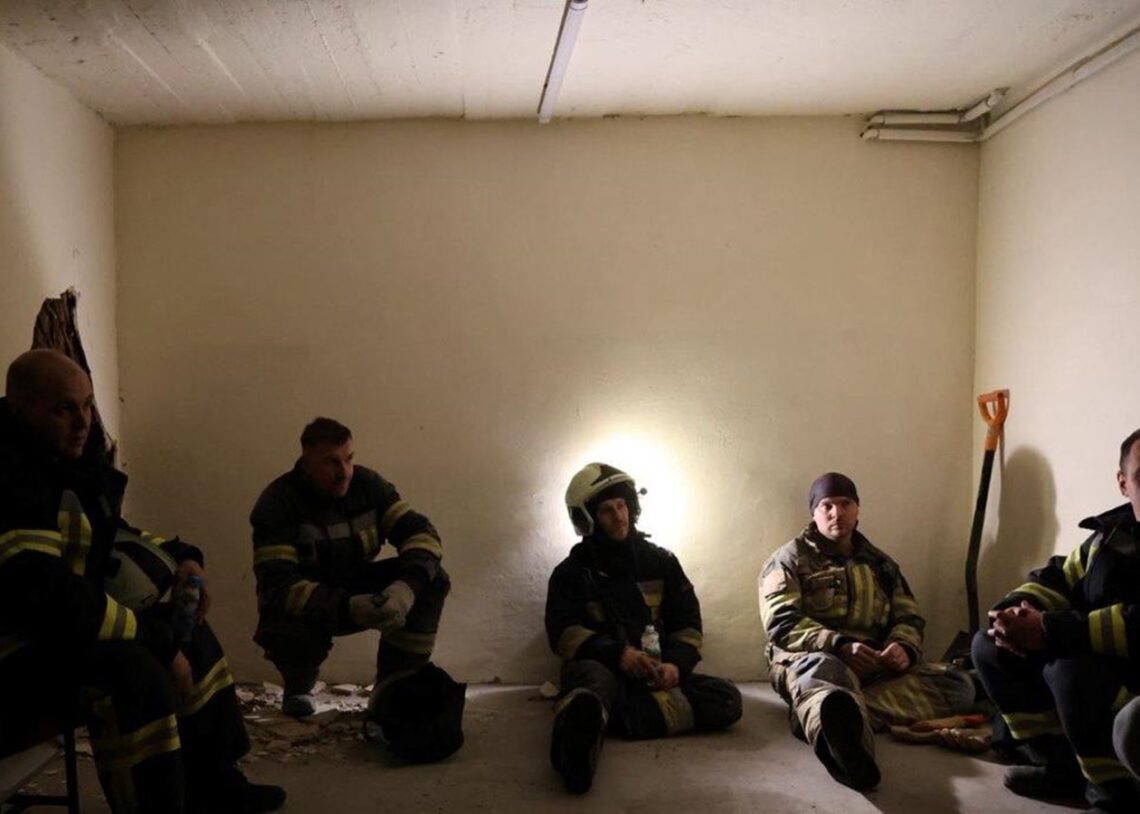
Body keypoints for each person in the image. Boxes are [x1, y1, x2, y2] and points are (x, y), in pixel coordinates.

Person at [0, 349, 285, 814]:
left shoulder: (63, 461)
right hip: (19, 644)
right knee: (136, 671)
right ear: (21, 407)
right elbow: (47, 595)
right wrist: (156, 641)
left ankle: (216, 783)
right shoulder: (11, 476)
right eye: (64, 409)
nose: (83, 422)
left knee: (189, 632)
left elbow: (111, 535)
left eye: (87, 404)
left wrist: (184, 558)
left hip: (61, 625)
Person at [759, 472, 974, 791]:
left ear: (857, 508)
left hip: (873, 666)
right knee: (825, 671)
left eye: (845, 503)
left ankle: (821, 711)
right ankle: (850, 752)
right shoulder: (788, 560)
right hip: (814, 658)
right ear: (814, 512)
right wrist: (840, 645)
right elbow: (782, 622)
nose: (837, 513)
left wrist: (903, 647)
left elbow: (909, 616)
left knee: (959, 686)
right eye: (827, 506)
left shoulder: (880, 564)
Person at [544, 462, 742, 794]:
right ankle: (577, 749)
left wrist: (676, 666)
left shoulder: (662, 562)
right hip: (602, 669)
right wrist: (618, 655)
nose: (619, 517)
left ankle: (608, 717)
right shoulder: (570, 574)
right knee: (591, 686)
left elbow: (688, 624)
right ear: (586, 519)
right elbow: (563, 634)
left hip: (655, 672)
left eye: (622, 505)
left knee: (727, 699)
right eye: (607, 510)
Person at [972, 429, 1140, 813]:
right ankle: (1059, 766)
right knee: (989, 645)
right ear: (1123, 483)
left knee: (1071, 672)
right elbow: (1059, 578)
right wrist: (1013, 612)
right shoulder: (1108, 538)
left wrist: (1049, 629)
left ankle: (1113, 793)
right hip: (1101, 664)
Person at [250, 417, 450, 719]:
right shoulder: (277, 503)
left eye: (349, 459)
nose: (344, 472)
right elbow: (277, 584)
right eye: (332, 462)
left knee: (433, 579)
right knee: (284, 623)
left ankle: (395, 687)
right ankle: (299, 685)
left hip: (356, 583)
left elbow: (421, 532)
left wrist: (406, 587)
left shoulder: (369, 486)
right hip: (308, 601)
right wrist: (347, 607)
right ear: (306, 459)